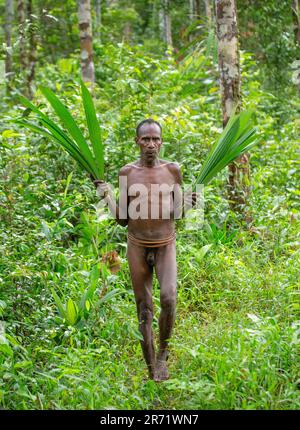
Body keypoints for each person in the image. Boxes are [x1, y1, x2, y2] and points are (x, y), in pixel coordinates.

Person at [94, 118, 196, 382]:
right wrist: (106, 197)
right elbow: (122, 219)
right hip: (137, 246)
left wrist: (188, 203)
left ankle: (163, 356)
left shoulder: (173, 170)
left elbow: (177, 213)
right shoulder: (127, 173)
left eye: (156, 139)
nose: (151, 144)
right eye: (146, 139)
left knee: (169, 298)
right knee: (144, 309)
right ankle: (151, 369)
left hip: (165, 244)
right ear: (137, 141)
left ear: (162, 141)